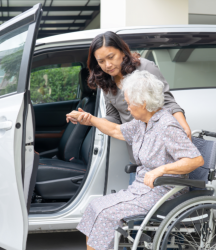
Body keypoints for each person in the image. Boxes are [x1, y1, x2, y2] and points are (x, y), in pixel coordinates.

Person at [66, 70, 204, 250]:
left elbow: (196, 160)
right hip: (142, 189)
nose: (128, 108)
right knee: (95, 206)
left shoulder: (166, 125)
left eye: (130, 103)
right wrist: (90, 119)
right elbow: (116, 130)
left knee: (106, 214)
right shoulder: (143, 122)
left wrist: (160, 170)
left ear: (144, 103)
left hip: (163, 191)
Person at [67, 31, 191, 185]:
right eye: (101, 61)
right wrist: (91, 119)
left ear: (122, 51)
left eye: (111, 57)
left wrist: (184, 127)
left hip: (159, 152)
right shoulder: (105, 80)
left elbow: (168, 102)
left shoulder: (144, 67)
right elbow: (114, 118)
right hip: (138, 155)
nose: (107, 65)